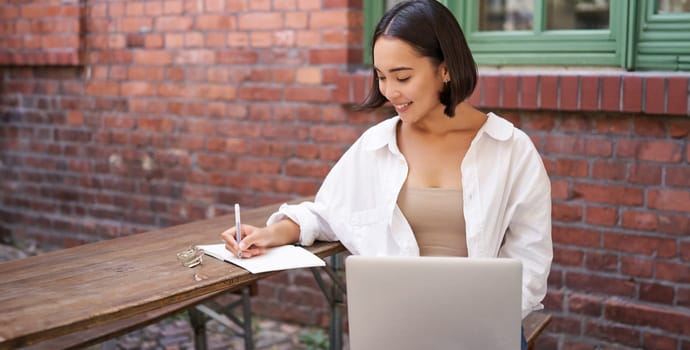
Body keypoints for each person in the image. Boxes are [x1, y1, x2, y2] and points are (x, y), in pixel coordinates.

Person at [221, 0, 552, 348]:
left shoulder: (510, 149)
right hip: (395, 332)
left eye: (403, 77)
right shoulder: (376, 145)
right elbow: (328, 212)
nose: (389, 92)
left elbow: (531, 258)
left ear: (446, 69)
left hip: (482, 333)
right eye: (381, 76)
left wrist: (486, 320)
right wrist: (272, 233)